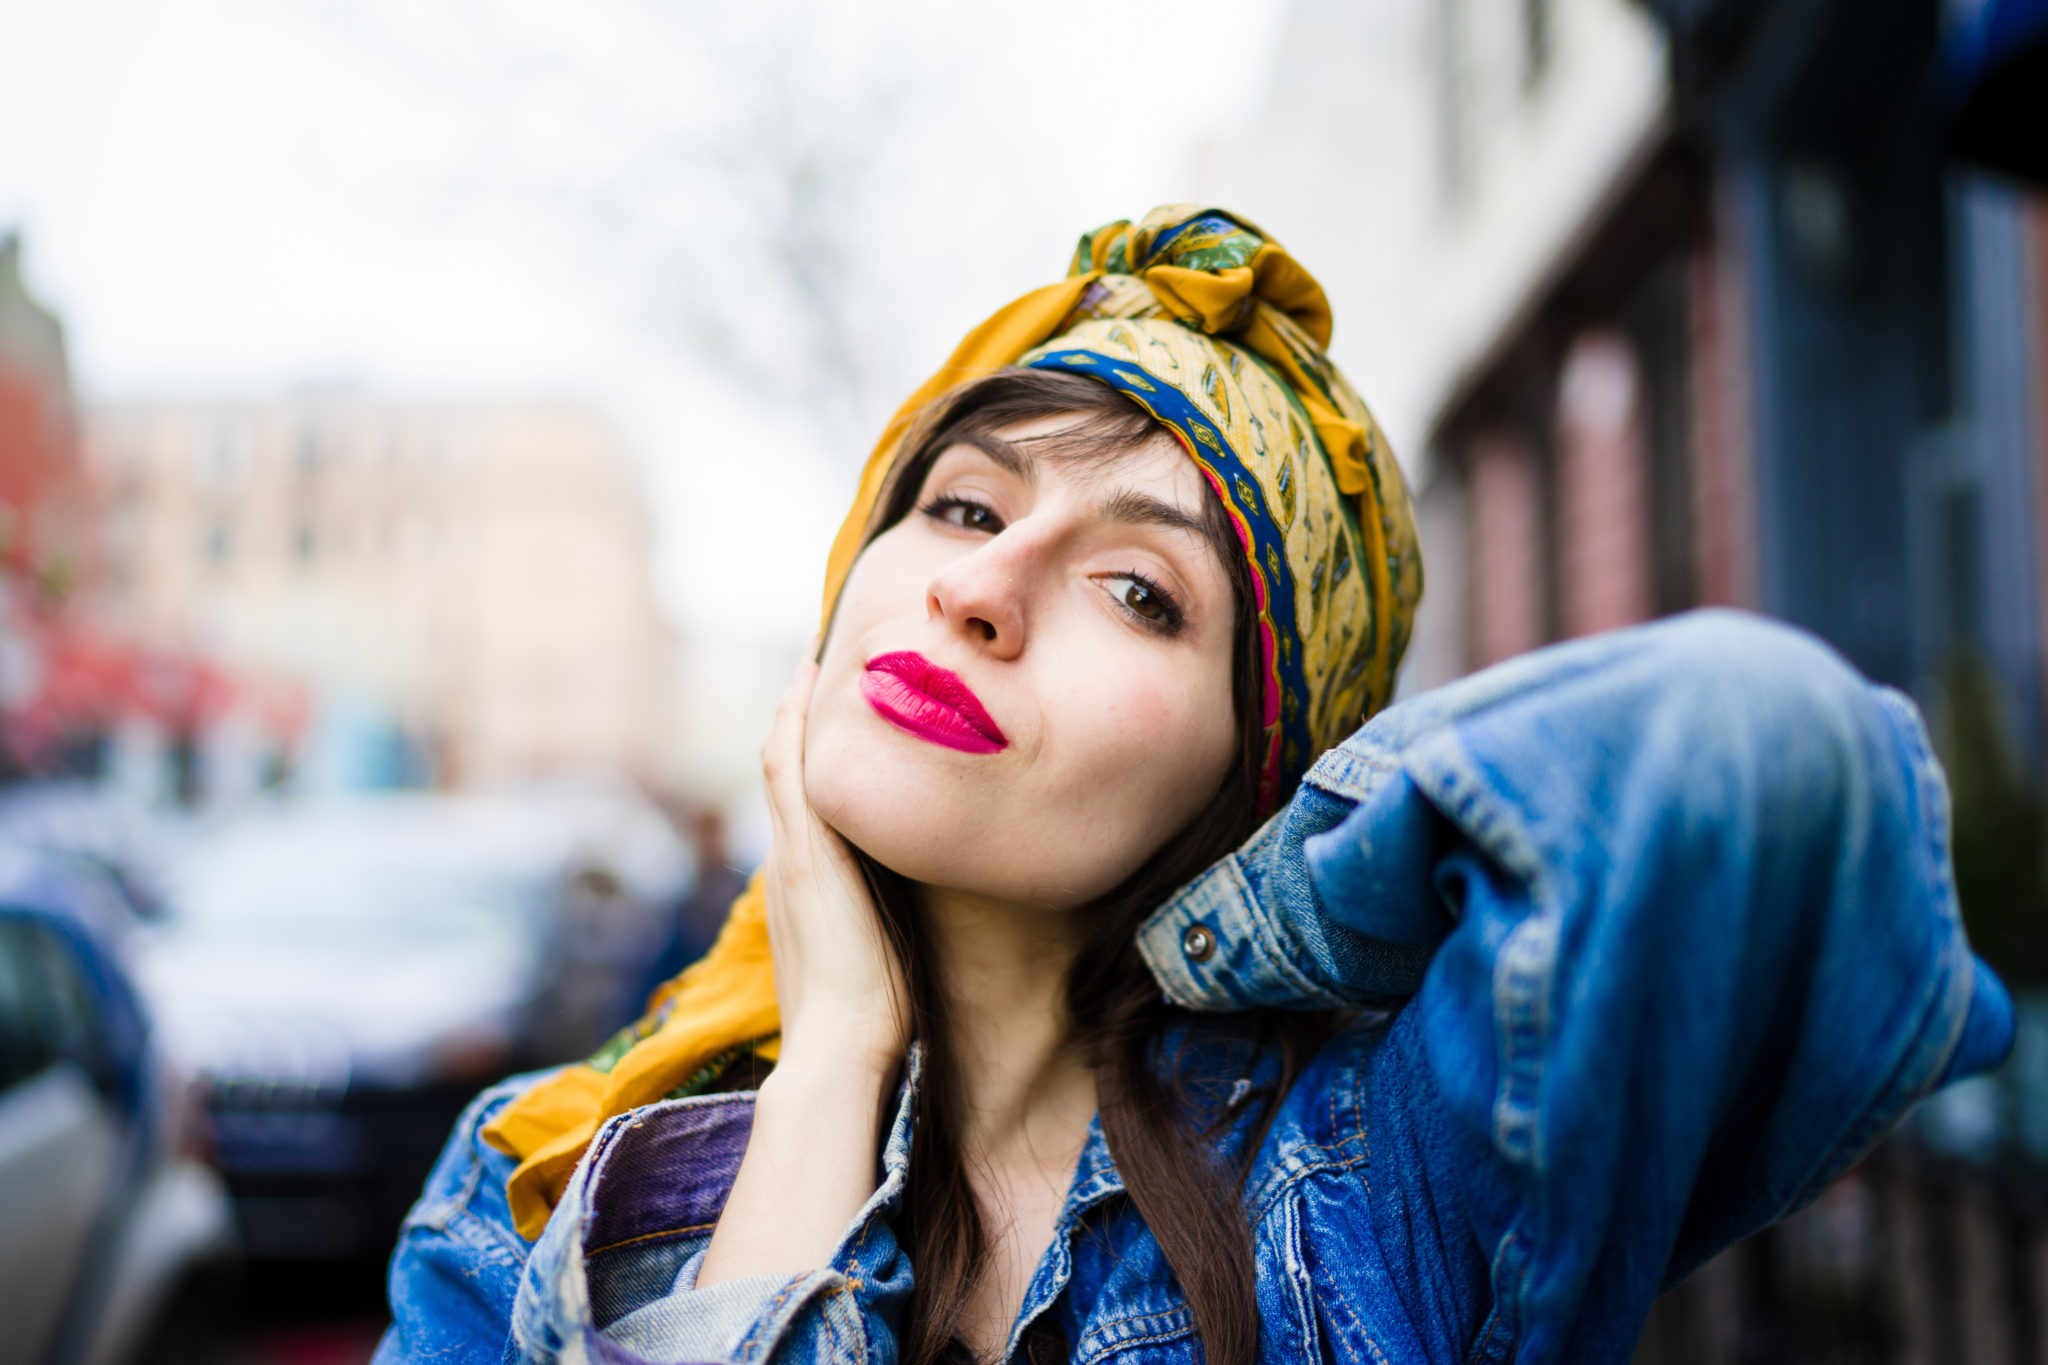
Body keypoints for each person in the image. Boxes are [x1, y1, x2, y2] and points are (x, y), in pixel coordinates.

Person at [374, 207, 2014, 1365]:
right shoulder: (528, 1199)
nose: (986, 584)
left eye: (1140, 592)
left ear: (1245, 765)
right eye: (956, 505)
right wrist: (830, 1072)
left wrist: (1243, 912)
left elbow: (1757, 745)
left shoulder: (1367, 1185)